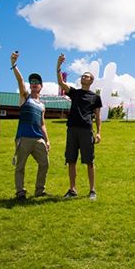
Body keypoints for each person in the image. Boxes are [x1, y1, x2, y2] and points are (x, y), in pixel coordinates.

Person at [57, 54, 102, 200]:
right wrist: (58, 66)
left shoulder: (95, 97)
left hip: (86, 130)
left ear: (91, 81)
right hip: (72, 129)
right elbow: (61, 83)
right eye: (83, 75)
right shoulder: (74, 93)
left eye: (87, 76)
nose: (84, 77)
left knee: (89, 161)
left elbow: (98, 116)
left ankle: (92, 191)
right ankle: (72, 190)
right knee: (71, 160)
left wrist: (99, 132)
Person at [10, 51, 51, 200]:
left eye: (37, 82)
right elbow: (20, 81)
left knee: (45, 163)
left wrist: (47, 140)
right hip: (24, 137)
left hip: (38, 138)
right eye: (32, 82)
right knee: (20, 166)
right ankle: (20, 192)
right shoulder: (24, 97)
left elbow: (42, 124)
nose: (34, 84)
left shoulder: (42, 105)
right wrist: (14, 65)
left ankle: (40, 191)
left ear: (41, 86)